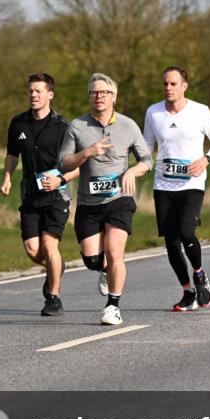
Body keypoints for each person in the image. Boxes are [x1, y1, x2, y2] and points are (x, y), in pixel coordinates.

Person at [60, 73, 152, 325]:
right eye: (93, 92)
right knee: (92, 259)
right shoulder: (77, 126)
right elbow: (63, 162)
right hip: (89, 203)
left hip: (119, 199)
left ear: (114, 97)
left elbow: (147, 160)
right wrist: (87, 153)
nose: (98, 97)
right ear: (89, 96)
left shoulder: (128, 125)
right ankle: (103, 270)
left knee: (115, 253)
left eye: (103, 92)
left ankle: (113, 306)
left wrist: (133, 170)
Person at [143, 66, 210, 312]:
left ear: (184, 86)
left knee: (186, 232)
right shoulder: (153, 112)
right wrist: (137, 166)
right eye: (165, 84)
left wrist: (206, 160)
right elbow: (147, 145)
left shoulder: (200, 111)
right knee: (170, 242)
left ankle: (200, 275)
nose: (168, 88)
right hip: (163, 184)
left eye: (173, 84)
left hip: (192, 183)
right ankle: (187, 291)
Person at [0, 73, 76, 317]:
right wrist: (7, 177)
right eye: (30, 91)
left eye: (38, 91)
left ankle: (53, 298)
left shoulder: (64, 127)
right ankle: (57, 267)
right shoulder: (18, 123)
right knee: (33, 250)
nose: (33, 95)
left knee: (48, 245)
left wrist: (60, 179)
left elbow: (77, 165)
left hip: (57, 196)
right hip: (31, 196)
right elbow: (12, 154)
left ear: (50, 95)